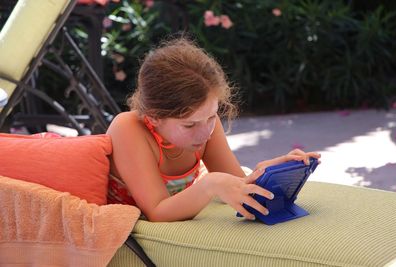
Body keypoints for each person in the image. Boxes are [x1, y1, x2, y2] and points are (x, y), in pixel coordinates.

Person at [106, 37, 320, 222]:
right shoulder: (128, 128)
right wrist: (209, 184)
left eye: (211, 116)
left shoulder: (206, 124)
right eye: (189, 124)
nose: (205, 132)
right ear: (154, 118)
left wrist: (270, 171)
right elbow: (157, 212)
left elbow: (237, 183)